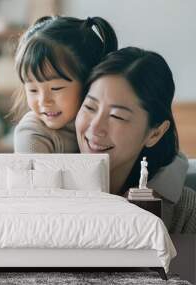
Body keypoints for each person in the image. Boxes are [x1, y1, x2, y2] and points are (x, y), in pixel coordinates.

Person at [75, 47, 196, 233]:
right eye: (90, 107)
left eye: (117, 116)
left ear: (155, 133)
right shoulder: (48, 190)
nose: (95, 128)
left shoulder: (186, 213)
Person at [11, 16, 118, 153]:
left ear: (89, 81)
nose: (44, 101)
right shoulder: (32, 135)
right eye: (32, 90)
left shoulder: (105, 124)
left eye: (56, 88)